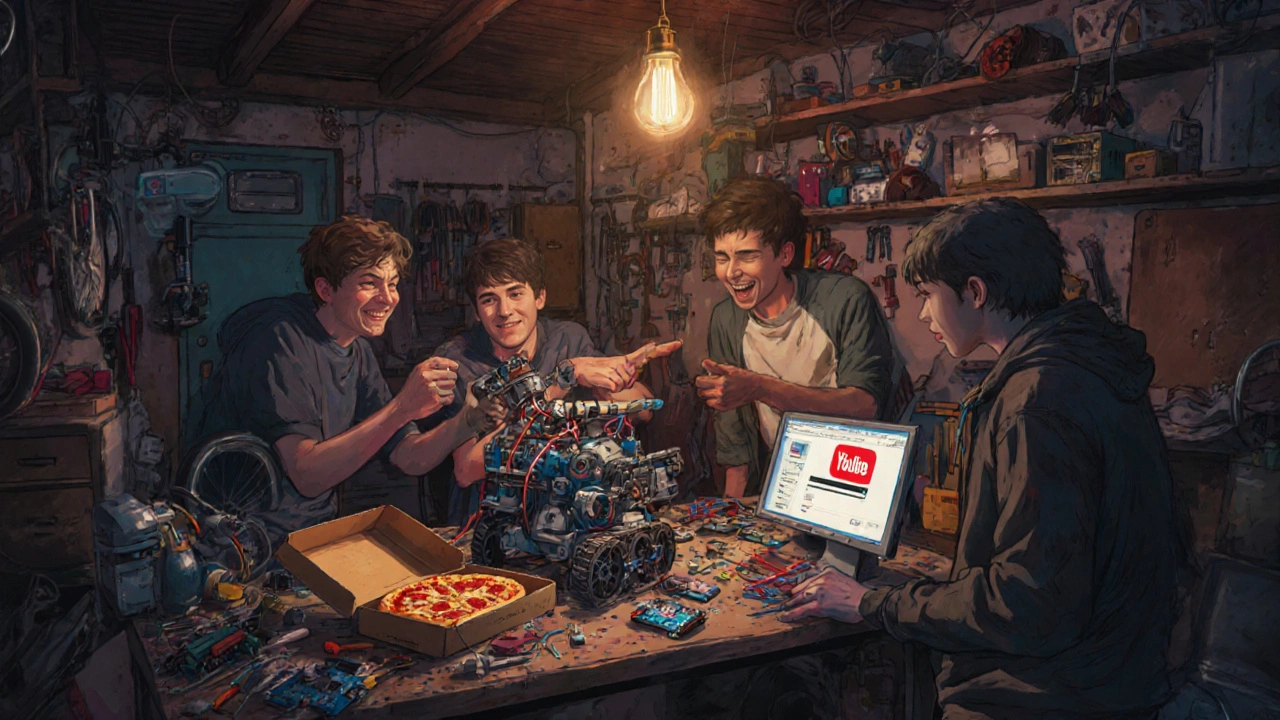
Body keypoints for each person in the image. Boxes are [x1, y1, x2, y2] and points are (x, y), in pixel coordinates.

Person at [779, 198, 1184, 719]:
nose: (922, 314)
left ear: (975, 292)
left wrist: (867, 602)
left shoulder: (1037, 399)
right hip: (1113, 671)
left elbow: (1026, 605)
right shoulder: (1082, 362)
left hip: (1052, 694)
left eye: (927, 295)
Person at [192, 216, 501, 542]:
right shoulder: (278, 342)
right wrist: (401, 408)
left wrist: (468, 421)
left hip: (311, 534)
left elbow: (409, 457)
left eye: (392, 283)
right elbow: (307, 476)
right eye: (370, 283)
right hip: (241, 543)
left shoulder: (357, 350)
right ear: (326, 289)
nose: (387, 298)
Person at [430, 237, 680, 524]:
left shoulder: (567, 338)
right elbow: (466, 470)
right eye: (489, 299)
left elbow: (644, 409)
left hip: (568, 516)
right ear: (476, 310)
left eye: (515, 294)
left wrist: (612, 383)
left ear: (540, 297)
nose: (504, 311)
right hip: (491, 523)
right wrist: (561, 382)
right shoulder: (457, 361)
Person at [696, 177, 896, 498]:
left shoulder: (843, 299)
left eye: (746, 256)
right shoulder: (726, 319)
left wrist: (761, 388)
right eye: (722, 257)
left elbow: (866, 405)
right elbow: (735, 444)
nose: (731, 272)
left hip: (852, 478)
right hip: (780, 484)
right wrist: (731, 516)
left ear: (785, 254)